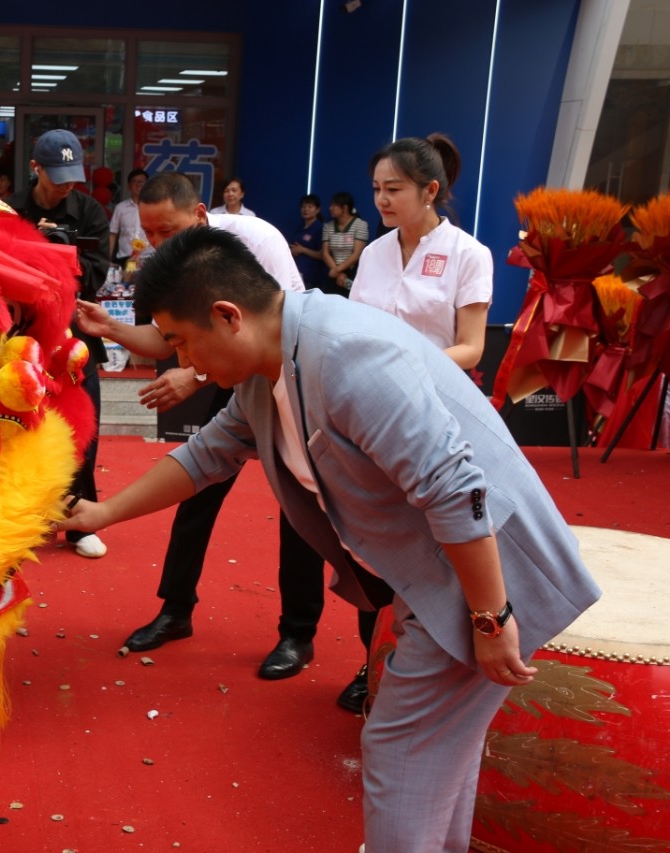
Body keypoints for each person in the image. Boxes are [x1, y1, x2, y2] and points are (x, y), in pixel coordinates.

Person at [61, 225, 601, 852]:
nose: (185, 364)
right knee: (435, 755)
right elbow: (205, 457)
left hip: (483, 572)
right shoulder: (271, 368)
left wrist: (489, 615)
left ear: (228, 315)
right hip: (442, 572)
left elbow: (455, 488)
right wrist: (102, 514)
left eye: (181, 342)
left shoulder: (344, 353)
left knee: (402, 747)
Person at [76, 173, 367, 709]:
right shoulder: (168, 267)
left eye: (168, 231)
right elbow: (164, 342)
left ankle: (298, 633)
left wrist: (196, 373)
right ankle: (175, 608)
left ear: (202, 217)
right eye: (149, 234)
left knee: (300, 501)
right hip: (227, 376)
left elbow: (282, 335)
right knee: (197, 487)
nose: (158, 244)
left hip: (286, 376)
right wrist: (111, 329)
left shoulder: (259, 244)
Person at [9, 129, 111, 559]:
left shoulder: (88, 212)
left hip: (76, 340)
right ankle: (16, 520)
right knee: (13, 429)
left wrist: (64, 255)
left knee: (81, 428)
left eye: (73, 176)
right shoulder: (12, 209)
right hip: (20, 339)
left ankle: (77, 523)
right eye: (58, 176)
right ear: (35, 169)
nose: (67, 184)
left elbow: (96, 273)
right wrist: (37, 251)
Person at [353, 134, 492, 370]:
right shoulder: (373, 253)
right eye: (377, 189)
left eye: (393, 189)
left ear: (430, 191)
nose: (381, 200)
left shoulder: (468, 253)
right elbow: (354, 325)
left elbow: (471, 348)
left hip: (434, 392)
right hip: (371, 386)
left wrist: (408, 365)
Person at [321, 191, 369, 293]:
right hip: (333, 269)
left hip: (352, 271)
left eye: (334, 205)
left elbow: (356, 254)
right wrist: (337, 272)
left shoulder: (360, 225)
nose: (330, 208)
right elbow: (325, 253)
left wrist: (338, 271)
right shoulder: (328, 226)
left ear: (345, 208)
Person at [109, 168, 148, 266]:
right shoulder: (120, 208)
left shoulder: (154, 208)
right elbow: (112, 234)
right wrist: (108, 259)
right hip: (126, 258)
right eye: (135, 181)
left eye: (142, 182)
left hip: (148, 258)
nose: (138, 184)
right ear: (128, 186)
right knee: (125, 281)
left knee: (147, 281)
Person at [289, 193, 325, 292]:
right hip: (297, 274)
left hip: (311, 277)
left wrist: (302, 250)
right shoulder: (300, 227)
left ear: (317, 210)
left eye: (310, 207)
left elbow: (322, 255)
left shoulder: (319, 228)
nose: (306, 209)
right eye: (303, 207)